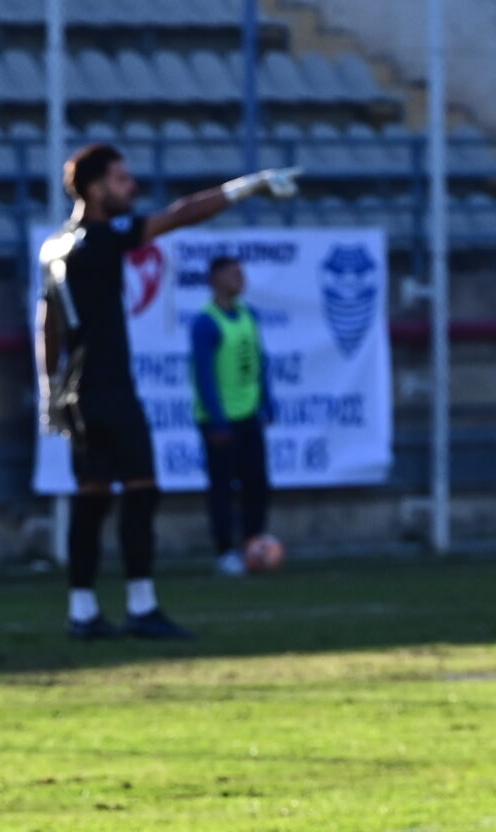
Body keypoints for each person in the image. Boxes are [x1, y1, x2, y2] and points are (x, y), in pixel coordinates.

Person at [37, 143, 301, 640]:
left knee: (91, 500)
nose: (130, 186)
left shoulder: (54, 247)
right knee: (142, 490)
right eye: (120, 179)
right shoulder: (105, 235)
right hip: (110, 388)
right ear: (95, 190)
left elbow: (46, 325)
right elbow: (179, 216)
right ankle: (141, 605)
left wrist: (49, 390)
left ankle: (82, 612)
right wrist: (246, 186)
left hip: (76, 395)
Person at [191, 254, 273, 577]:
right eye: (231, 273)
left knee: (257, 484)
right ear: (215, 279)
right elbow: (204, 374)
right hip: (220, 419)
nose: (239, 278)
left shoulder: (249, 315)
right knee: (223, 488)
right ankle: (225, 550)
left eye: (241, 272)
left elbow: (259, 361)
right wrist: (217, 419)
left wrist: (267, 401)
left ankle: (253, 544)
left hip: (249, 413)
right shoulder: (206, 321)